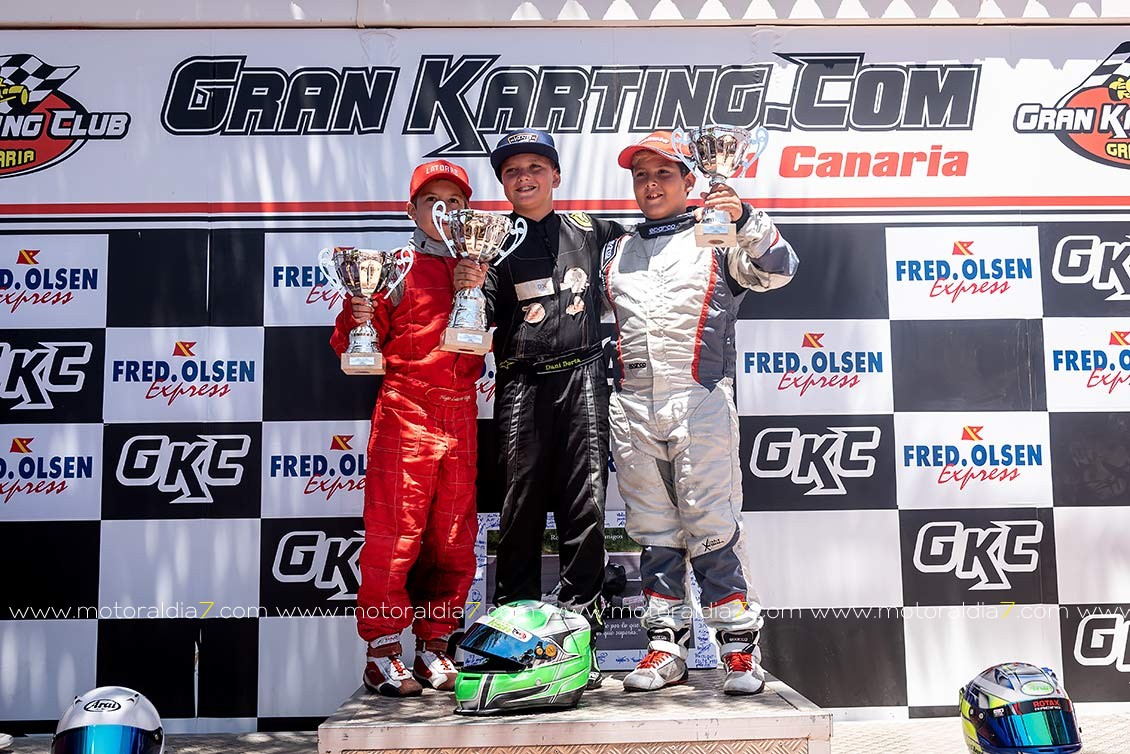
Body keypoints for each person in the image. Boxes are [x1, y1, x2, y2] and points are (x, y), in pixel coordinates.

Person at [602, 130, 798, 695]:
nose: (651, 185)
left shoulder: (717, 235)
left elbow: (781, 268)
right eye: (641, 176)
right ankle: (666, 647)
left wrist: (746, 216)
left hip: (700, 400)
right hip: (633, 403)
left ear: (691, 181)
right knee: (654, 531)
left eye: (664, 174)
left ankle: (739, 650)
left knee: (712, 526)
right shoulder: (615, 250)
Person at [454, 128, 624, 689]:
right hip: (521, 381)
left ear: (555, 175)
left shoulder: (595, 231)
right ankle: (512, 638)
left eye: (534, 167)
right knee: (519, 507)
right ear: (502, 183)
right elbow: (476, 322)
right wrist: (469, 286)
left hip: (583, 375)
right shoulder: (489, 241)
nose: (523, 178)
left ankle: (579, 641)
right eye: (511, 171)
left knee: (585, 508)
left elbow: (650, 265)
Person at [330, 159, 486, 697]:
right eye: (432, 202)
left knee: (454, 539)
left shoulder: (481, 264)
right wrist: (358, 311)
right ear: (411, 209)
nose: (444, 211)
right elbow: (347, 345)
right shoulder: (390, 268)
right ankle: (382, 651)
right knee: (394, 537)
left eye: (455, 202)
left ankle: (435, 645)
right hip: (406, 408)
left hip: (461, 412)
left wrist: (478, 286)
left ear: (468, 212)